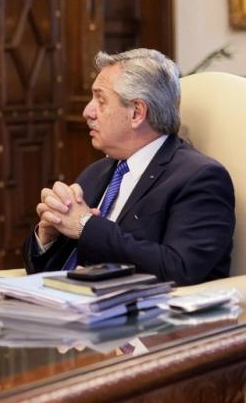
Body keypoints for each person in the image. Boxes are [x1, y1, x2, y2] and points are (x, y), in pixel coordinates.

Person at [23, 48, 235, 286]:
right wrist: (48, 236)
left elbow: (180, 269)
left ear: (137, 112)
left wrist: (85, 226)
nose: (87, 112)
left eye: (100, 100)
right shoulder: (96, 173)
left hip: (143, 319)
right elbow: (47, 271)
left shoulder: (200, 178)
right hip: (63, 308)